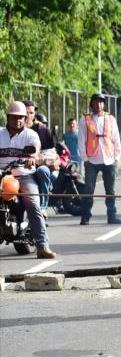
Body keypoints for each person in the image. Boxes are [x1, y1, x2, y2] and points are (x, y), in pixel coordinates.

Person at [2, 102, 57, 258]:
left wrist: (32, 159)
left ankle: (42, 246)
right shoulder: (0, 134)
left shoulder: (31, 135)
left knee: (33, 204)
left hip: (24, 175)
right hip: (2, 175)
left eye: (21, 118)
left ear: (25, 118)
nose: (18, 121)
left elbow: (35, 149)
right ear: (8, 117)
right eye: (14, 117)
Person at [78, 93, 121, 225]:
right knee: (88, 190)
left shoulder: (110, 118)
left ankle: (112, 215)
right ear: (92, 103)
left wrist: (116, 157)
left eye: (101, 102)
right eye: (96, 102)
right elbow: (82, 140)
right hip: (91, 160)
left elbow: (116, 138)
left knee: (110, 190)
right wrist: (85, 158)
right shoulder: (85, 120)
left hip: (109, 159)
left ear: (104, 104)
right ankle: (85, 216)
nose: (99, 104)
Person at [22, 100, 56, 212]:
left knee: (43, 171)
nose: (28, 116)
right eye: (25, 112)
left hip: (38, 165)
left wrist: (36, 160)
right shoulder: (13, 129)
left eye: (31, 113)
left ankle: (42, 209)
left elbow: (52, 155)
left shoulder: (43, 130)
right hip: (17, 166)